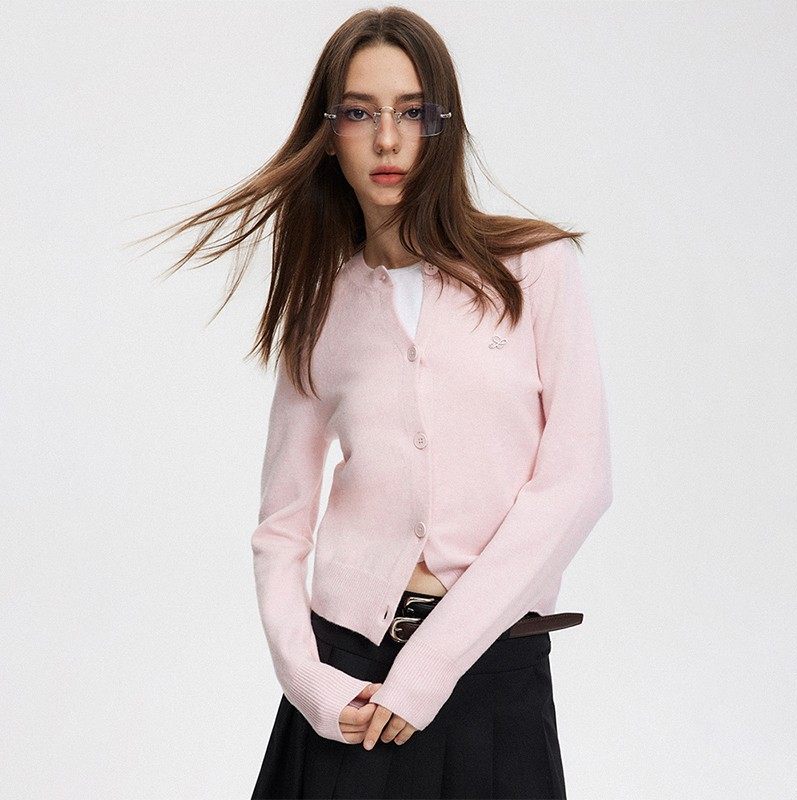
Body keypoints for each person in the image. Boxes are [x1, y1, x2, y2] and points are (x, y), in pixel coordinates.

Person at [141, 7, 613, 798]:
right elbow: (281, 525)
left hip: (492, 676)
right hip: (349, 687)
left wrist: (429, 666)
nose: (388, 140)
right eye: (360, 113)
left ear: (443, 126)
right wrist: (310, 683)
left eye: (413, 112)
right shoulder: (321, 306)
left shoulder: (536, 268)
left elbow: (577, 483)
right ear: (330, 135)